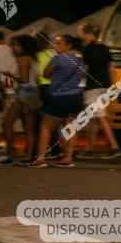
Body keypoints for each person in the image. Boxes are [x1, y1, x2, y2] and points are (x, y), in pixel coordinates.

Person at [32, 35, 84, 168]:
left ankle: (40, 159)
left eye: (59, 43)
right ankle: (68, 158)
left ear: (68, 45)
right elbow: (81, 76)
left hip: (58, 96)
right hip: (75, 96)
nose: (56, 46)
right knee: (70, 127)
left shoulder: (58, 58)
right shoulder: (80, 59)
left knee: (45, 127)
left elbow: (46, 74)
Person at [0, 36, 41, 165]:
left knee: (7, 123)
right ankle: (29, 155)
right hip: (32, 93)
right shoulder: (32, 59)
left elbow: (23, 80)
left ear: (24, 47)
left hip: (24, 94)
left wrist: (10, 76)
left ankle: (9, 154)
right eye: (12, 45)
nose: (13, 48)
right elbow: (35, 80)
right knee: (28, 126)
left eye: (16, 45)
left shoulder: (23, 59)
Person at [76, 23, 121, 159]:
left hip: (93, 87)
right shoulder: (104, 48)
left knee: (100, 117)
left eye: (80, 32)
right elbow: (111, 68)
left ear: (86, 33)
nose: (79, 35)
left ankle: (114, 147)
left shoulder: (87, 49)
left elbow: (85, 69)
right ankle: (90, 148)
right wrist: (112, 86)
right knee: (93, 118)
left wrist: (77, 78)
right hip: (105, 86)